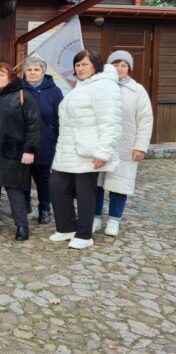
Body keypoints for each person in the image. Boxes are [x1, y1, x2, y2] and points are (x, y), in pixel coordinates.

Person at [50, 50, 122, 250]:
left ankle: (84, 234)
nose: (80, 68)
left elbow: (111, 123)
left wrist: (103, 152)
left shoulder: (104, 87)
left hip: (88, 151)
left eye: (84, 64)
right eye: (78, 65)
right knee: (57, 186)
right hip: (67, 150)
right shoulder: (81, 86)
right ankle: (66, 228)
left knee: (85, 194)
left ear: (96, 65)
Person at [0, 63, 41, 240]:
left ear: (10, 77)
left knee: (15, 190)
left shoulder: (22, 96)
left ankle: (22, 226)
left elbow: (34, 126)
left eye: (1, 75)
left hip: (13, 151)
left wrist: (29, 150)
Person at [95, 50, 153, 237]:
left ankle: (114, 219)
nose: (119, 68)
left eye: (123, 65)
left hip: (124, 144)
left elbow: (145, 119)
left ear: (129, 68)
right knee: (96, 182)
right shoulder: (100, 86)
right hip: (101, 143)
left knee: (119, 183)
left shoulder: (137, 91)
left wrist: (140, 147)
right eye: (115, 64)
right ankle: (95, 217)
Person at [23, 55, 63, 224]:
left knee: (43, 178)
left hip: (45, 140)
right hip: (22, 140)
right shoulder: (19, 88)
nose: (32, 72)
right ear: (24, 72)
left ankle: (44, 208)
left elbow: (60, 116)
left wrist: (56, 135)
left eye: (36, 69)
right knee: (22, 177)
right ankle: (24, 208)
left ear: (43, 72)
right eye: (29, 69)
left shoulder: (54, 91)